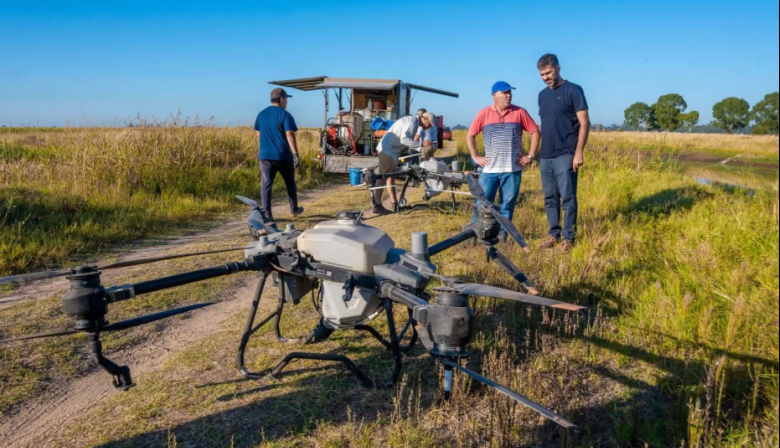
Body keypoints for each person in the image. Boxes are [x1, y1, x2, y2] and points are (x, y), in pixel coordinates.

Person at [521, 54, 590, 254]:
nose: (545, 77)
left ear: (558, 68)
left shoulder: (573, 90)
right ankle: (554, 234)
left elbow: (584, 123)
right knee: (550, 197)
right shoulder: (542, 95)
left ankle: (568, 238)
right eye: (542, 74)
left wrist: (579, 152)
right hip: (546, 155)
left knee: (567, 197)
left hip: (567, 153)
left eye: (548, 72)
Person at [468, 81, 540, 243]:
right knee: (482, 204)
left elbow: (535, 132)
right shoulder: (483, 113)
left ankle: (503, 235)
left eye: (510, 93)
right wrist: (475, 156)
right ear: (494, 95)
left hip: (512, 170)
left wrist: (530, 155)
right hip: (489, 171)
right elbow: (470, 135)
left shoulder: (520, 112)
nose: (509, 95)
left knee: (507, 205)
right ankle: (476, 235)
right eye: (504, 93)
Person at [254, 87, 304, 222]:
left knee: (266, 184)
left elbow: (258, 135)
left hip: (264, 156)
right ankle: (294, 209)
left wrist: (262, 150)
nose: (287, 102)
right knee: (290, 182)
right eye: (286, 99)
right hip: (283, 156)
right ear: (282, 99)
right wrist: (295, 154)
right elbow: (289, 134)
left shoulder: (261, 115)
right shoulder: (285, 115)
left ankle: (267, 214)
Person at [373, 112, 436, 214]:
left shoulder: (414, 123)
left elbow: (406, 140)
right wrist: (420, 147)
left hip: (392, 150)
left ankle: (394, 204)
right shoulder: (411, 121)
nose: (428, 127)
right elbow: (404, 139)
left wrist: (419, 145)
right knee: (382, 177)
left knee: (390, 178)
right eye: (429, 124)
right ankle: (377, 205)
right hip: (387, 149)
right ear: (424, 119)